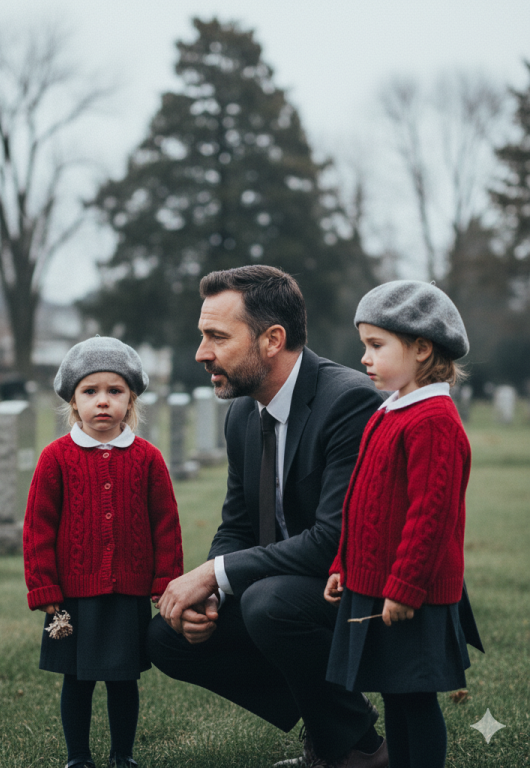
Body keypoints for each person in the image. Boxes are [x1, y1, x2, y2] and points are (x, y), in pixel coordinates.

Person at [149, 265, 389, 767]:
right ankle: (331, 716)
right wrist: (211, 595)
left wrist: (213, 573)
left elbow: (333, 539)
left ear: (272, 339)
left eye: (217, 336)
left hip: (364, 591)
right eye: (202, 336)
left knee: (267, 603)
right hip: (283, 591)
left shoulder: (348, 403)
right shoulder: (243, 411)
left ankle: (359, 748)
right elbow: (237, 523)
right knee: (167, 637)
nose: (201, 353)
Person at [324, 280, 484, 768]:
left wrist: (405, 587)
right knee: (395, 694)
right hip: (374, 584)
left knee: (415, 699)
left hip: (411, 591)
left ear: (420, 348)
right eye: (364, 346)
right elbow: (361, 502)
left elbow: (430, 517)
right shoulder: (391, 411)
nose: (365, 358)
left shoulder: (433, 419)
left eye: (376, 345)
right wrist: (342, 563)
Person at [23, 336, 183, 768]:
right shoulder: (55, 458)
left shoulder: (148, 459)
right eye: (90, 392)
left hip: (127, 594)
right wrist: (44, 585)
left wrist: (166, 583)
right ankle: (78, 757)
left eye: (114, 391)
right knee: (76, 680)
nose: (102, 402)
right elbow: (38, 526)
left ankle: (122, 755)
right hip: (73, 596)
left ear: (131, 398)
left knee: (122, 679)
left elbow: (165, 524)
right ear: (73, 401)